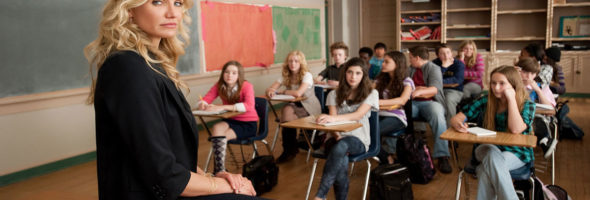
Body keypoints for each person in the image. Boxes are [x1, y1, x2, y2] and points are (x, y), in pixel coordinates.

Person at [85, 0, 259, 199]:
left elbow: (173, 156)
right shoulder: (128, 68)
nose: (173, 13)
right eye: (157, 2)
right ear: (130, 9)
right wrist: (220, 185)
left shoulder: (153, 65)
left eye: (177, 3)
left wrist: (216, 178)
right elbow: (164, 173)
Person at [450, 66, 535, 200]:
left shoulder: (527, 105)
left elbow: (516, 129)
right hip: (485, 148)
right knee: (490, 152)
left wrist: (512, 99)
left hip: (516, 153)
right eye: (493, 83)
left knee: (485, 170)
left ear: (513, 85)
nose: (496, 87)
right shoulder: (485, 101)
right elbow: (456, 118)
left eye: (502, 83)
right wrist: (458, 124)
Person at [313, 57, 379, 200]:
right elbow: (332, 125)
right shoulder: (333, 94)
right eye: (350, 72)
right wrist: (337, 135)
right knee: (341, 159)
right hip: (335, 138)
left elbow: (357, 115)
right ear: (344, 73)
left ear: (364, 75)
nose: (353, 77)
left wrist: (333, 119)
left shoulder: (372, 93)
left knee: (342, 147)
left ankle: (320, 195)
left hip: (358, 139)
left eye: (358, 73)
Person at [197, 61, 258, 175]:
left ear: (239, 75)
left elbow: (249, 106)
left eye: (234, 73)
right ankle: (220, 170)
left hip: (248, 123)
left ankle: (219, 170)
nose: (230, 75)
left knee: (221, 137)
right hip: (231, 120)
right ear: (223, 74)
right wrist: (203, 103)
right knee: (216, 128)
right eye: (227, 72)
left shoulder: (246, 86)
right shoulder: (219, 85)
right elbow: (206, 98)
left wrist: (221, 107)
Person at [266, 51, 321, 163]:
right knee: (286, 111)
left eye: (296, 61)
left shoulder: (307, 75)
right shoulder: (285, 75)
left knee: (286, 115)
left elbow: (298, 93)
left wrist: (284, 91)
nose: (293, 64)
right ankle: (290, 148)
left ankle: (290, 149)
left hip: (309, 107)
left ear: (301, 63)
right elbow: (271, 88)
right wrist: (271, 91)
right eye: (290, 61)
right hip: (294, 105)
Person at [408, 46, 452, 173]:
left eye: (411, 58)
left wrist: (418, 91)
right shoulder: (410, 69)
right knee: (401, 114)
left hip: (430, 102)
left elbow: (434, 89)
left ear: (417, 58)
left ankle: (442, 155)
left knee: (438, 115)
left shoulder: (434, 68)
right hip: (413, 103)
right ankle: (406, 151)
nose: (410, 60)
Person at [374, 51, 414, 164]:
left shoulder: (407, 81)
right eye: (383, 61)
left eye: (386, 62)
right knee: (363, 131)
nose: (383, 64)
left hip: (396, 117)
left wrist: (377, 102)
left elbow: (402, 100)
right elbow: (368, 93)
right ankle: (387, 158)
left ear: (397, 64)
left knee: (371, 132)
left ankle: (385, 159)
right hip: (379, 114)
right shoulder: (380, 80)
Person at [516, 58, 557, 159]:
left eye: (532, 73)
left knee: (536, 118)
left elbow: (550, 111)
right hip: (517, 119)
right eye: (525, 72)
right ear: (519, 70)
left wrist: (538, 91)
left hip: (536, 119)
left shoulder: (542, 87)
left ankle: (544, 141)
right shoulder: (511, 85)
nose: (529, 77)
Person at [433, 44, 465, 121]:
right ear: (438, 55)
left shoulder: (459, 64)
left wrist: (438, 83)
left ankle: (450, 128)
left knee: (449, 100)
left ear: (452, 53)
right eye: (442, 53)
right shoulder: (434, 63)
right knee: (430, 101)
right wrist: (443, 67)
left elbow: (457, 81)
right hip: (437, 90)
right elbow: (432, 80)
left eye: (448, 52)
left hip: (455, 91)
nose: (446, 56)